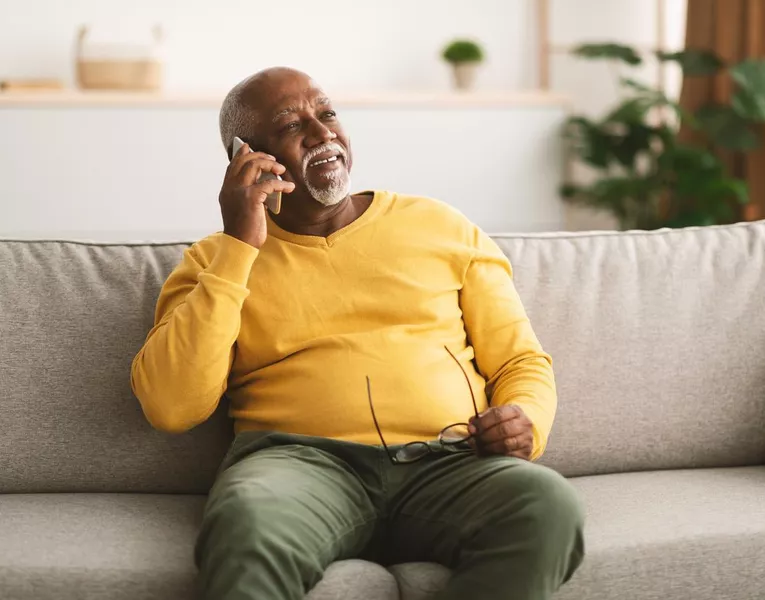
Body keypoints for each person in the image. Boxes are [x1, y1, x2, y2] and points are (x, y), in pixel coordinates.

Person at [130, 66, 584, 600]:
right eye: (291, 125)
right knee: (246, 524)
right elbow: (171, 405)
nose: (322, 133)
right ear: (245, 156)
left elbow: (520, 362)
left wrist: (526, 419)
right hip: (299, 470)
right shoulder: (214, 260)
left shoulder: (441, 226)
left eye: (326, 113)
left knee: (547, 505)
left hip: (450, 461)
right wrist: (240, 246)